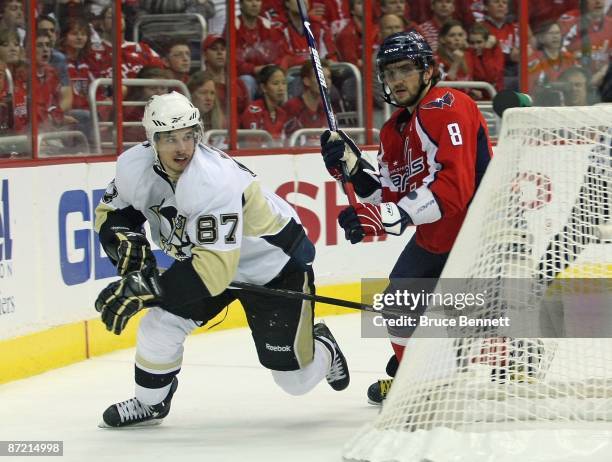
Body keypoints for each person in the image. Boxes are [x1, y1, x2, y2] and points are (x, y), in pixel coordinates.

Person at [94, 91, 350, 428]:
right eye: (169, 139)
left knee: (294, 382)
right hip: (209, 260)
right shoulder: (133, 166)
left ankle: (324, 347)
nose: (182, 148)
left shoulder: (210, 181)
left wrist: (145, 286)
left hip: (271, 265)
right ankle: (150, 403)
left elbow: (213, 274)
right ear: (151, 140)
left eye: (188, 135)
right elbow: (111, 212)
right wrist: (118, 238)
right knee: (160, 324)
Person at [319, 31, 493, 404]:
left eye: (406, 69)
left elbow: (454, 190)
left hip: (481, 236)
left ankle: (516, 356)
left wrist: (389, 215)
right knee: (398, 302)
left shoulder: (448, 105)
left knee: (475, 323)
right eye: (389, 72)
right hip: (438, 237)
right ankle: (415, 380)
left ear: (428, 71)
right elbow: (393, 195)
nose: (396, 80)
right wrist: (353, 169)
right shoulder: (393, 129)